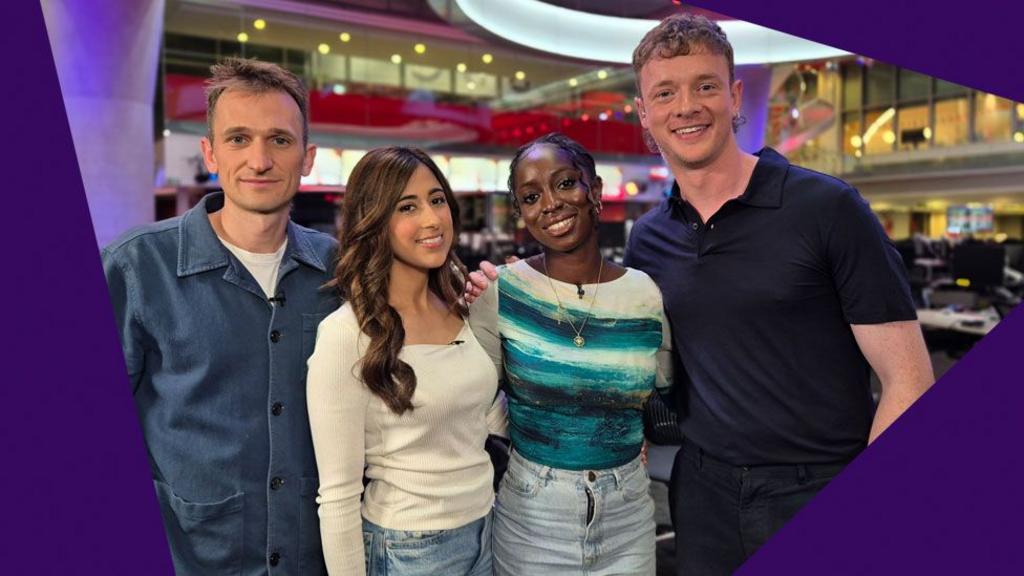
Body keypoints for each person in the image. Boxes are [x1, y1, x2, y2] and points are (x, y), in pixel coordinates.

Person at [624, 14, 935, 574]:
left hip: (816, 483)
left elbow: (909, 378)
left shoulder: (827, 209)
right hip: (700, 490)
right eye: (665, 93)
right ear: (644, 113)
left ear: (735, 95)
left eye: (706, 86)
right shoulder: (648, 238)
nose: (686, 106)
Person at [102, 58, 336, 574]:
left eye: (279, 140)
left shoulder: (341, 271)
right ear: (209, 152)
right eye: (237, 139)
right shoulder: (136, 267)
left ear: (307, 157)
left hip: (313, 559)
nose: (259, 160)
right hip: (192, 559)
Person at [469, 133, 672, 575]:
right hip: (532, 514)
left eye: (565, 184)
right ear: (521, 214)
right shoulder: (500, 292)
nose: (551, 203)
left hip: (629, 512)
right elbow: (473, 400)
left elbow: (664, 391)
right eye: (530, 196)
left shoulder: (644, 294)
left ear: (594, 191)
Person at [307, 147, 506, 576]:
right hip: (408, 549)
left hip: (488, 528)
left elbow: (481, 418)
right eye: (407, 207)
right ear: (374, 221)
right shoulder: (346, 333)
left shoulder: (459, 297)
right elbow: (338, 497)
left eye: (437, 200)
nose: (432, 219)